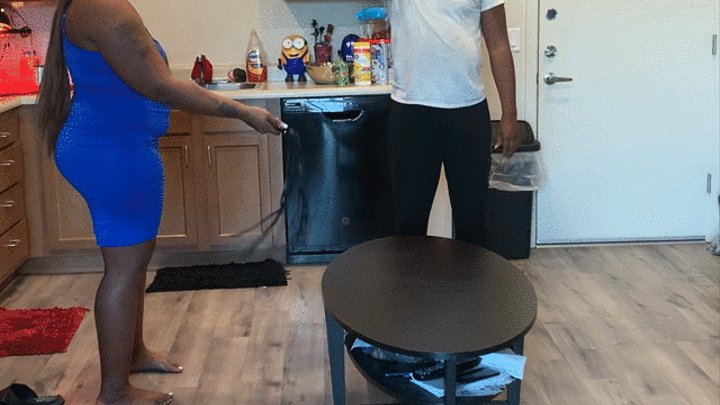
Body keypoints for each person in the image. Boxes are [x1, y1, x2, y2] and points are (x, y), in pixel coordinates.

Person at [37, 1, 284, 404]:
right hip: (112, 151)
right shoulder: (102, 7)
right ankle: (115, 393)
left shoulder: (97, 5)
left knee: (134, 261)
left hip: (116, 147)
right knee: (123, 268)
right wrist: (243, 112)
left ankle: (133, 354)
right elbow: (160, 86)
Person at [387, 0, 521, 248]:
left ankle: (474, 276)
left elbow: (499, 45)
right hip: (412, 112)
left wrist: (510, 114)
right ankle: (409, 276)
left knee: (472, 218)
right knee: (409, 220)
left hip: (468, 113)